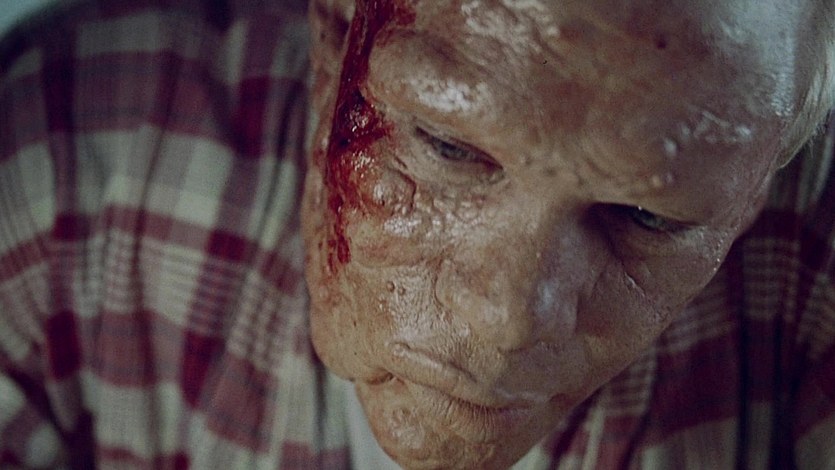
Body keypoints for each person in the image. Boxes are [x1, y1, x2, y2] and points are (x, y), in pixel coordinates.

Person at [1, 0, 833, 468]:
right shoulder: (64, 145)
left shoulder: (813, 251)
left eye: (646, 217)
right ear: (333, 38)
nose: (506, 318)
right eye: (446, 147)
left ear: (767, 177)